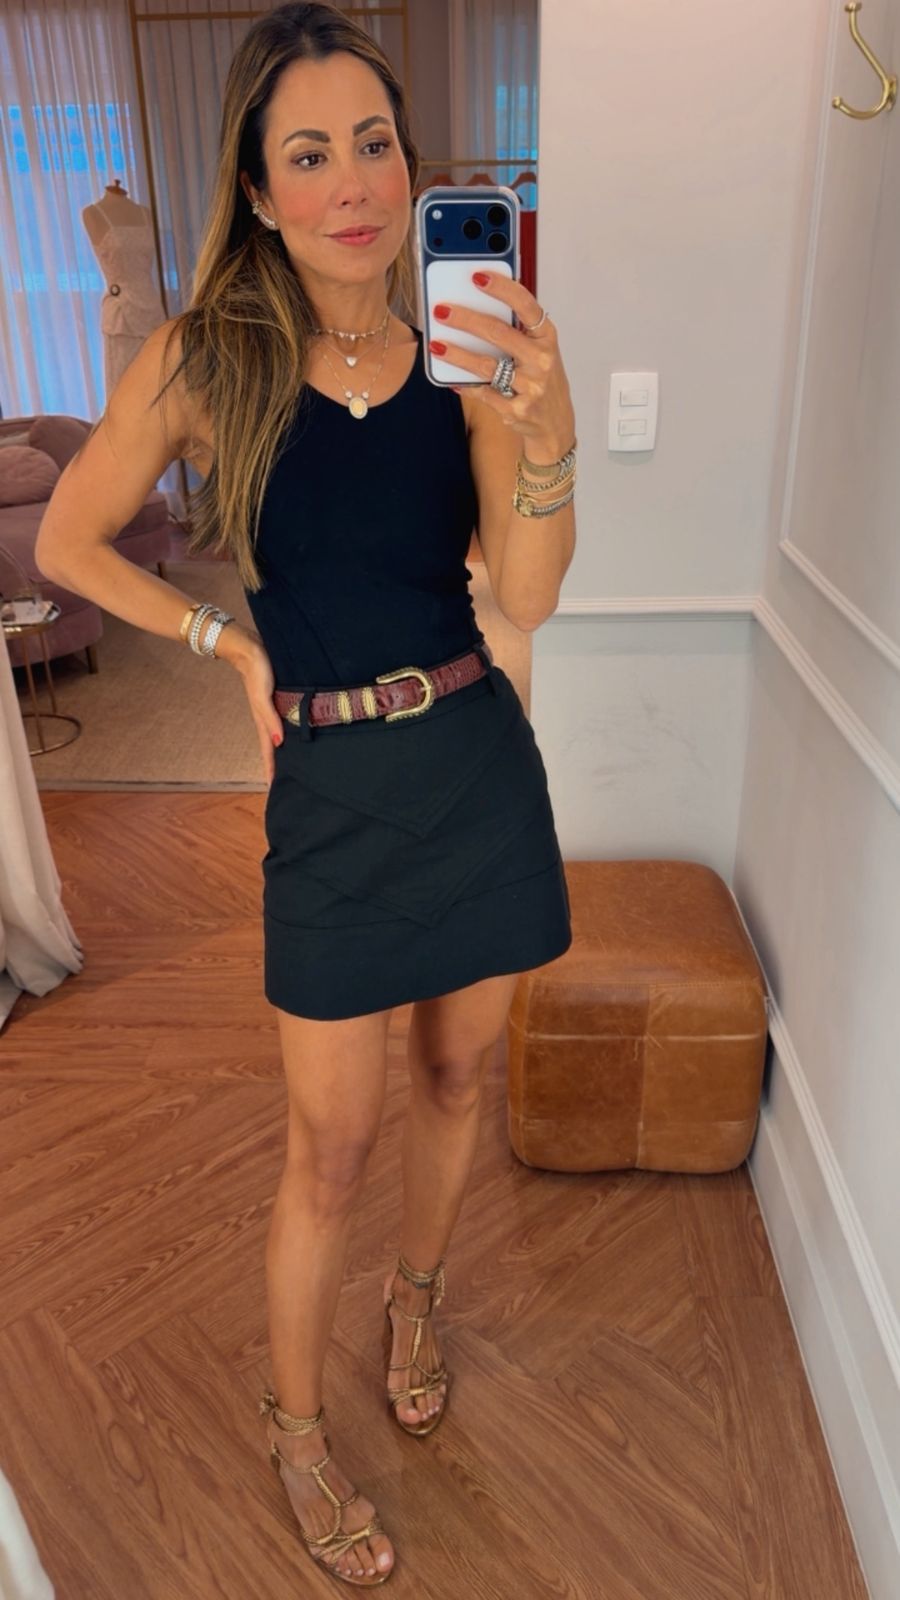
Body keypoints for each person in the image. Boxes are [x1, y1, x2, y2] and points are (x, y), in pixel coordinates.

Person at [35, 1, 577, 1586]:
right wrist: (219, 641)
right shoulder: (207, 360)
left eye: (377, 143)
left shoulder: (466, 359)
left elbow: (526, 593)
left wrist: (543, 430)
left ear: (412, 165)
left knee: (458, 1082)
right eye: (312, 153)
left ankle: (418, 1299)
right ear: (261, 192)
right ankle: (294, 1428)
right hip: (330, 798)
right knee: (326, 1150)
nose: (355, 182)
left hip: (474, 768)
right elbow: (66, 542)